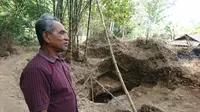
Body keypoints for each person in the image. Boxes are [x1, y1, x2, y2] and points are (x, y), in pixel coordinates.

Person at [20, 13, 78, 112]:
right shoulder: (36, 70)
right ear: (46, 37)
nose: (67, 38)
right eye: (62, 33)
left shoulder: (59, 61)